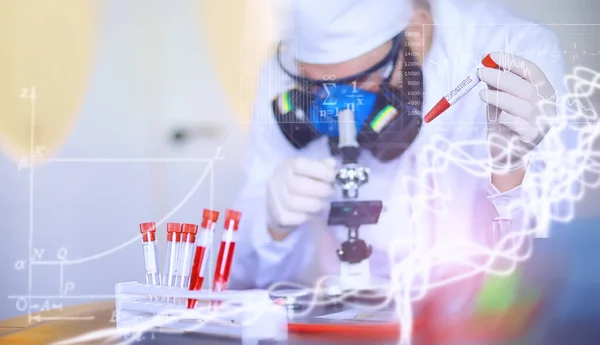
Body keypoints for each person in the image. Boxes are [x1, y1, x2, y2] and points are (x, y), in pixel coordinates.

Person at [228, 0, 568, 290]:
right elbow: (242, 276)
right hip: (348, 315)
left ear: (415, 31)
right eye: (315, 84)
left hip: (475, 313)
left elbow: (548, 253)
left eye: (358, 82)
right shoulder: (284, 73)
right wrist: (273, 225)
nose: (336, 103)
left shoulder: (515, 53)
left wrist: (511, 169)